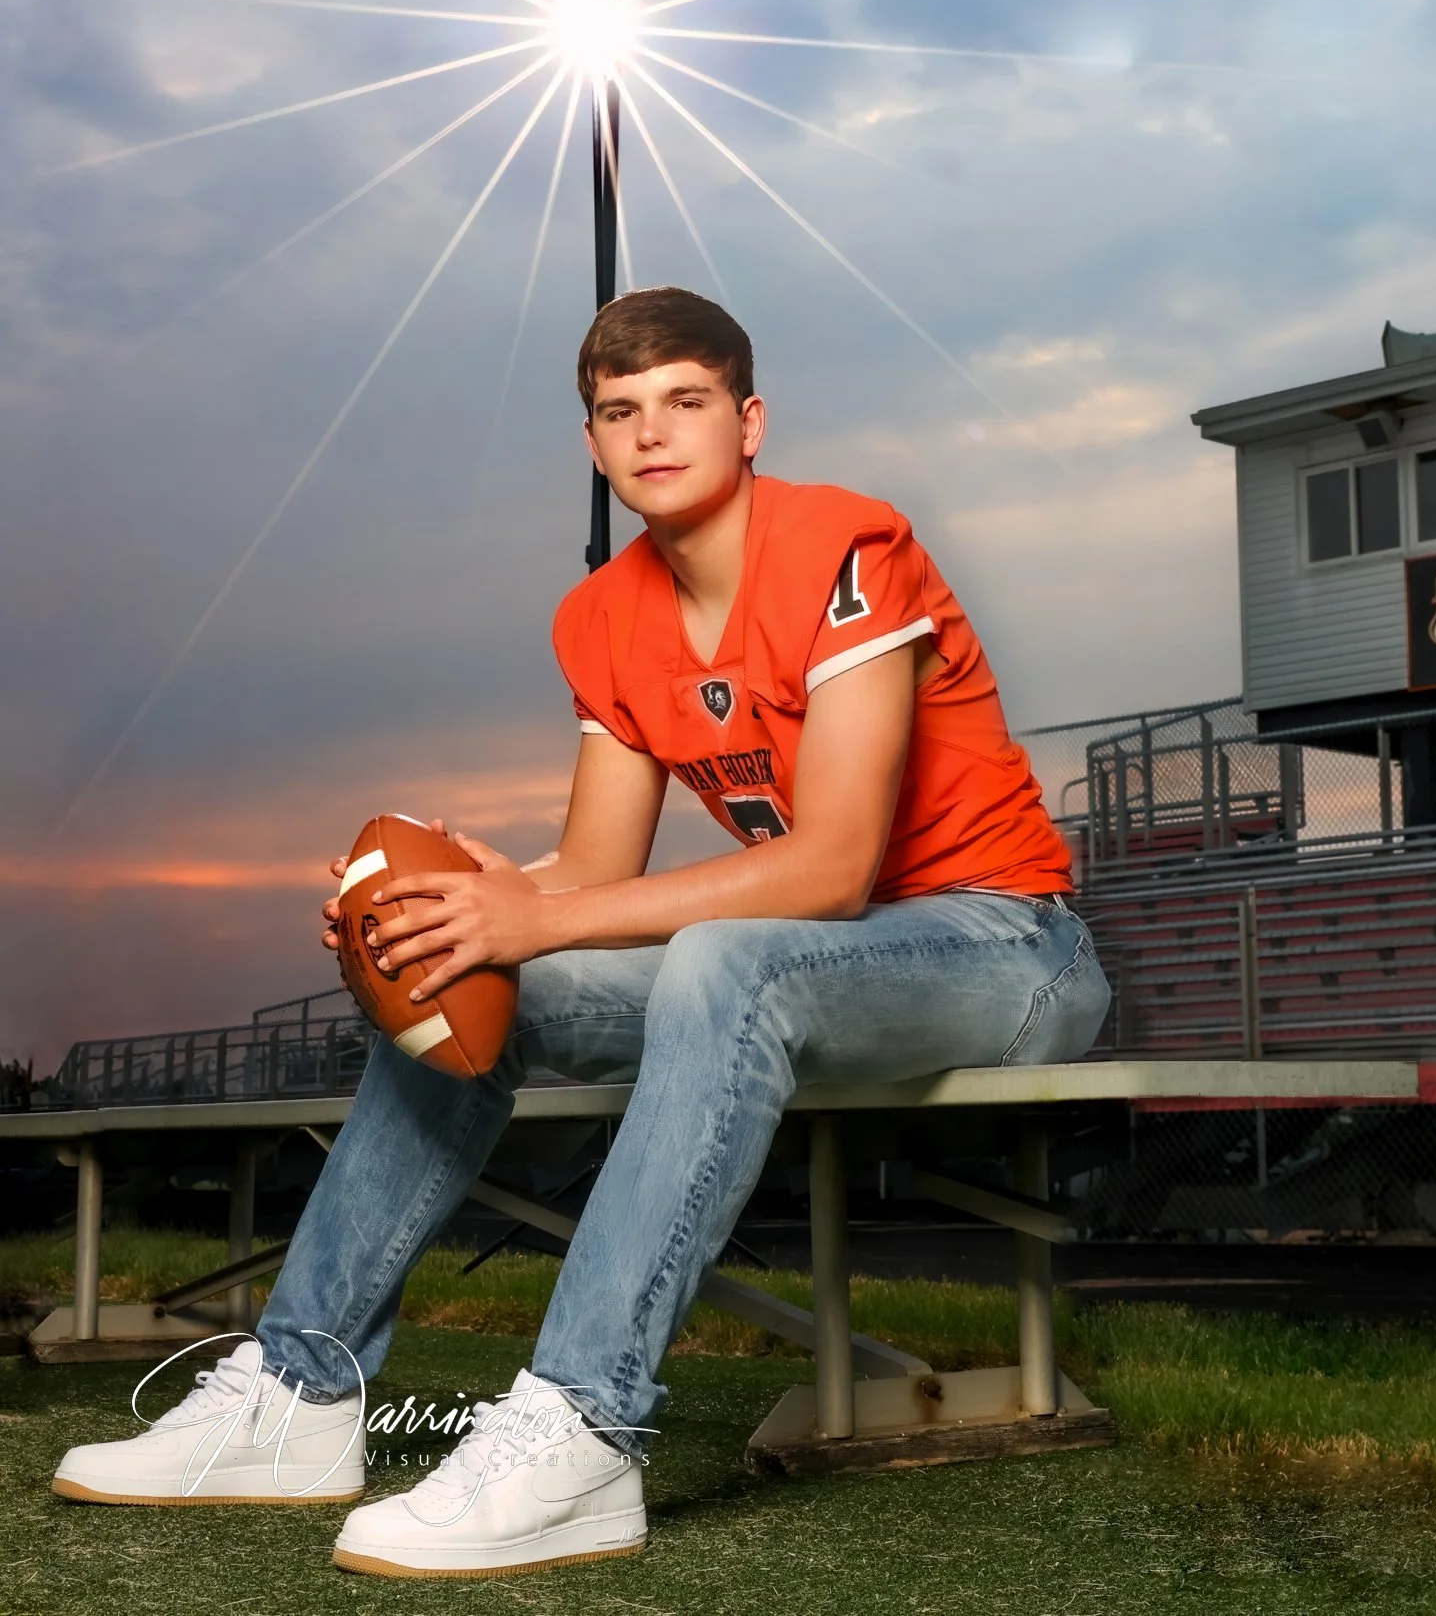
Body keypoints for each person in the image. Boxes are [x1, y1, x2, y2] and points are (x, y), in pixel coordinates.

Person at [51, 287, 1109, 1578]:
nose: (652, 432)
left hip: (1003, 946)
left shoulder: (846, 546)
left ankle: (582, 1426)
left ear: (750, 418)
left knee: (728, 959)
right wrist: (466, 898)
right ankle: (300, 1389)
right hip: (811, 966)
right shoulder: (604, 614)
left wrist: (540, 907)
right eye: (620, 410)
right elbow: (597, 867)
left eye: (685, 401)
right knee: (474, 961)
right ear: (595, 444)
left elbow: (832, 868)